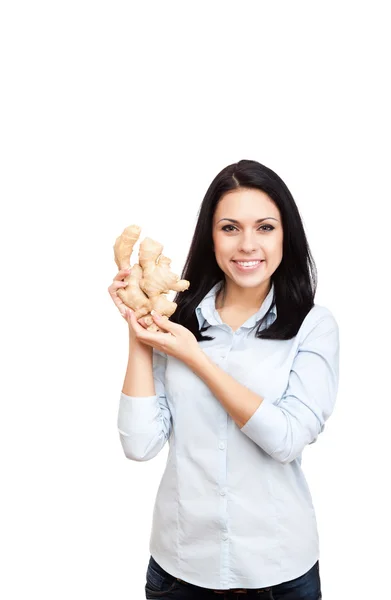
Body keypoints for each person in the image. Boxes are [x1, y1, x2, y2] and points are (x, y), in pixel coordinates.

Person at [109, 159, 339, 599]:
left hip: (277, 573)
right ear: (210, 236)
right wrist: (138, 329)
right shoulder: (177, 319)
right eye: (230, 228)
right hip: (179, 570)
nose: (247, 244)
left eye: (265, 227)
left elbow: (288, 438)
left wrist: (197, 361)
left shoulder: (314, 326)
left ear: (286, 235)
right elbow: (139, 445)